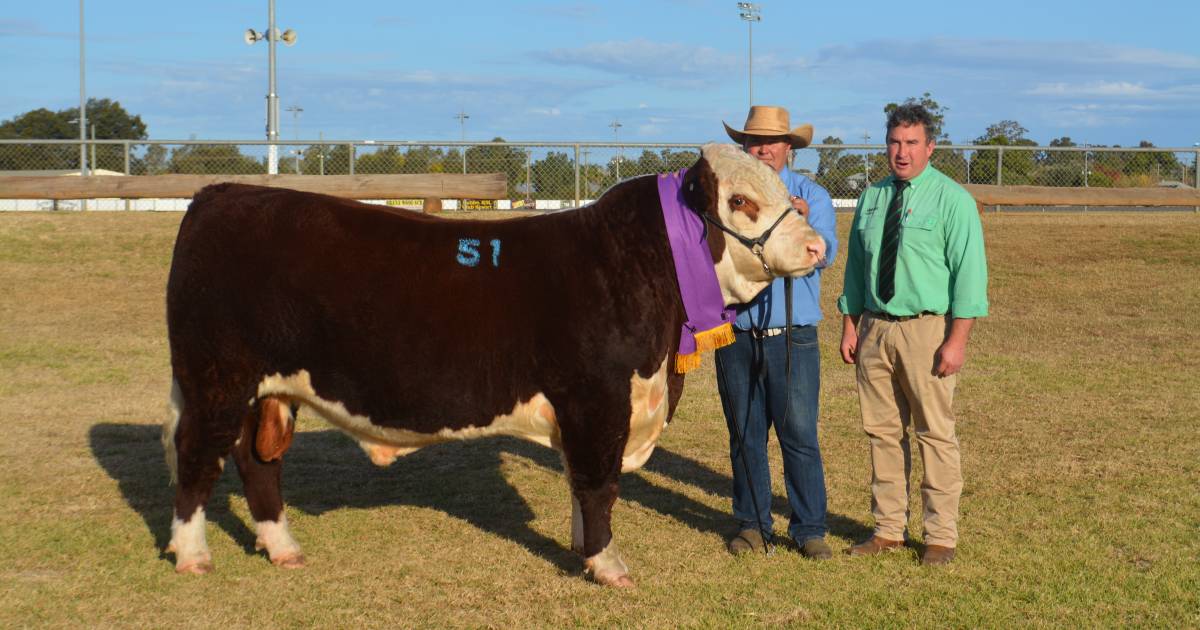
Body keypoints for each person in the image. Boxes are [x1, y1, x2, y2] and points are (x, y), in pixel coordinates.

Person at [837, 103, 988, 566]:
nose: (901, 153)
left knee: (934, 434)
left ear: (930, 147)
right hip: (876, 330)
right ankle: (887, 530)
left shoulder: (952, 200)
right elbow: (857, 269)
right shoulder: (873, 197)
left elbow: (969, 275)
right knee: (881, 433)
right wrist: (850, 323)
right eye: (895, 143)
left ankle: (940, 536)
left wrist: (956, 340)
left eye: (911, 143)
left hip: (927, 331)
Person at [715, 105, 839, 560]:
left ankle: (810, 528)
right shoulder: (728, 197)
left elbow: (825, 252)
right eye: (753, 141)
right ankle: (751, 524)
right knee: (745, 432)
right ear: (743, 147)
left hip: (793, 333)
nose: (762, 149)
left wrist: (799, 222)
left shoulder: (812, 196)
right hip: (736, 332)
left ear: (790, 148)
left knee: (799, 434)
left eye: (771, 141)